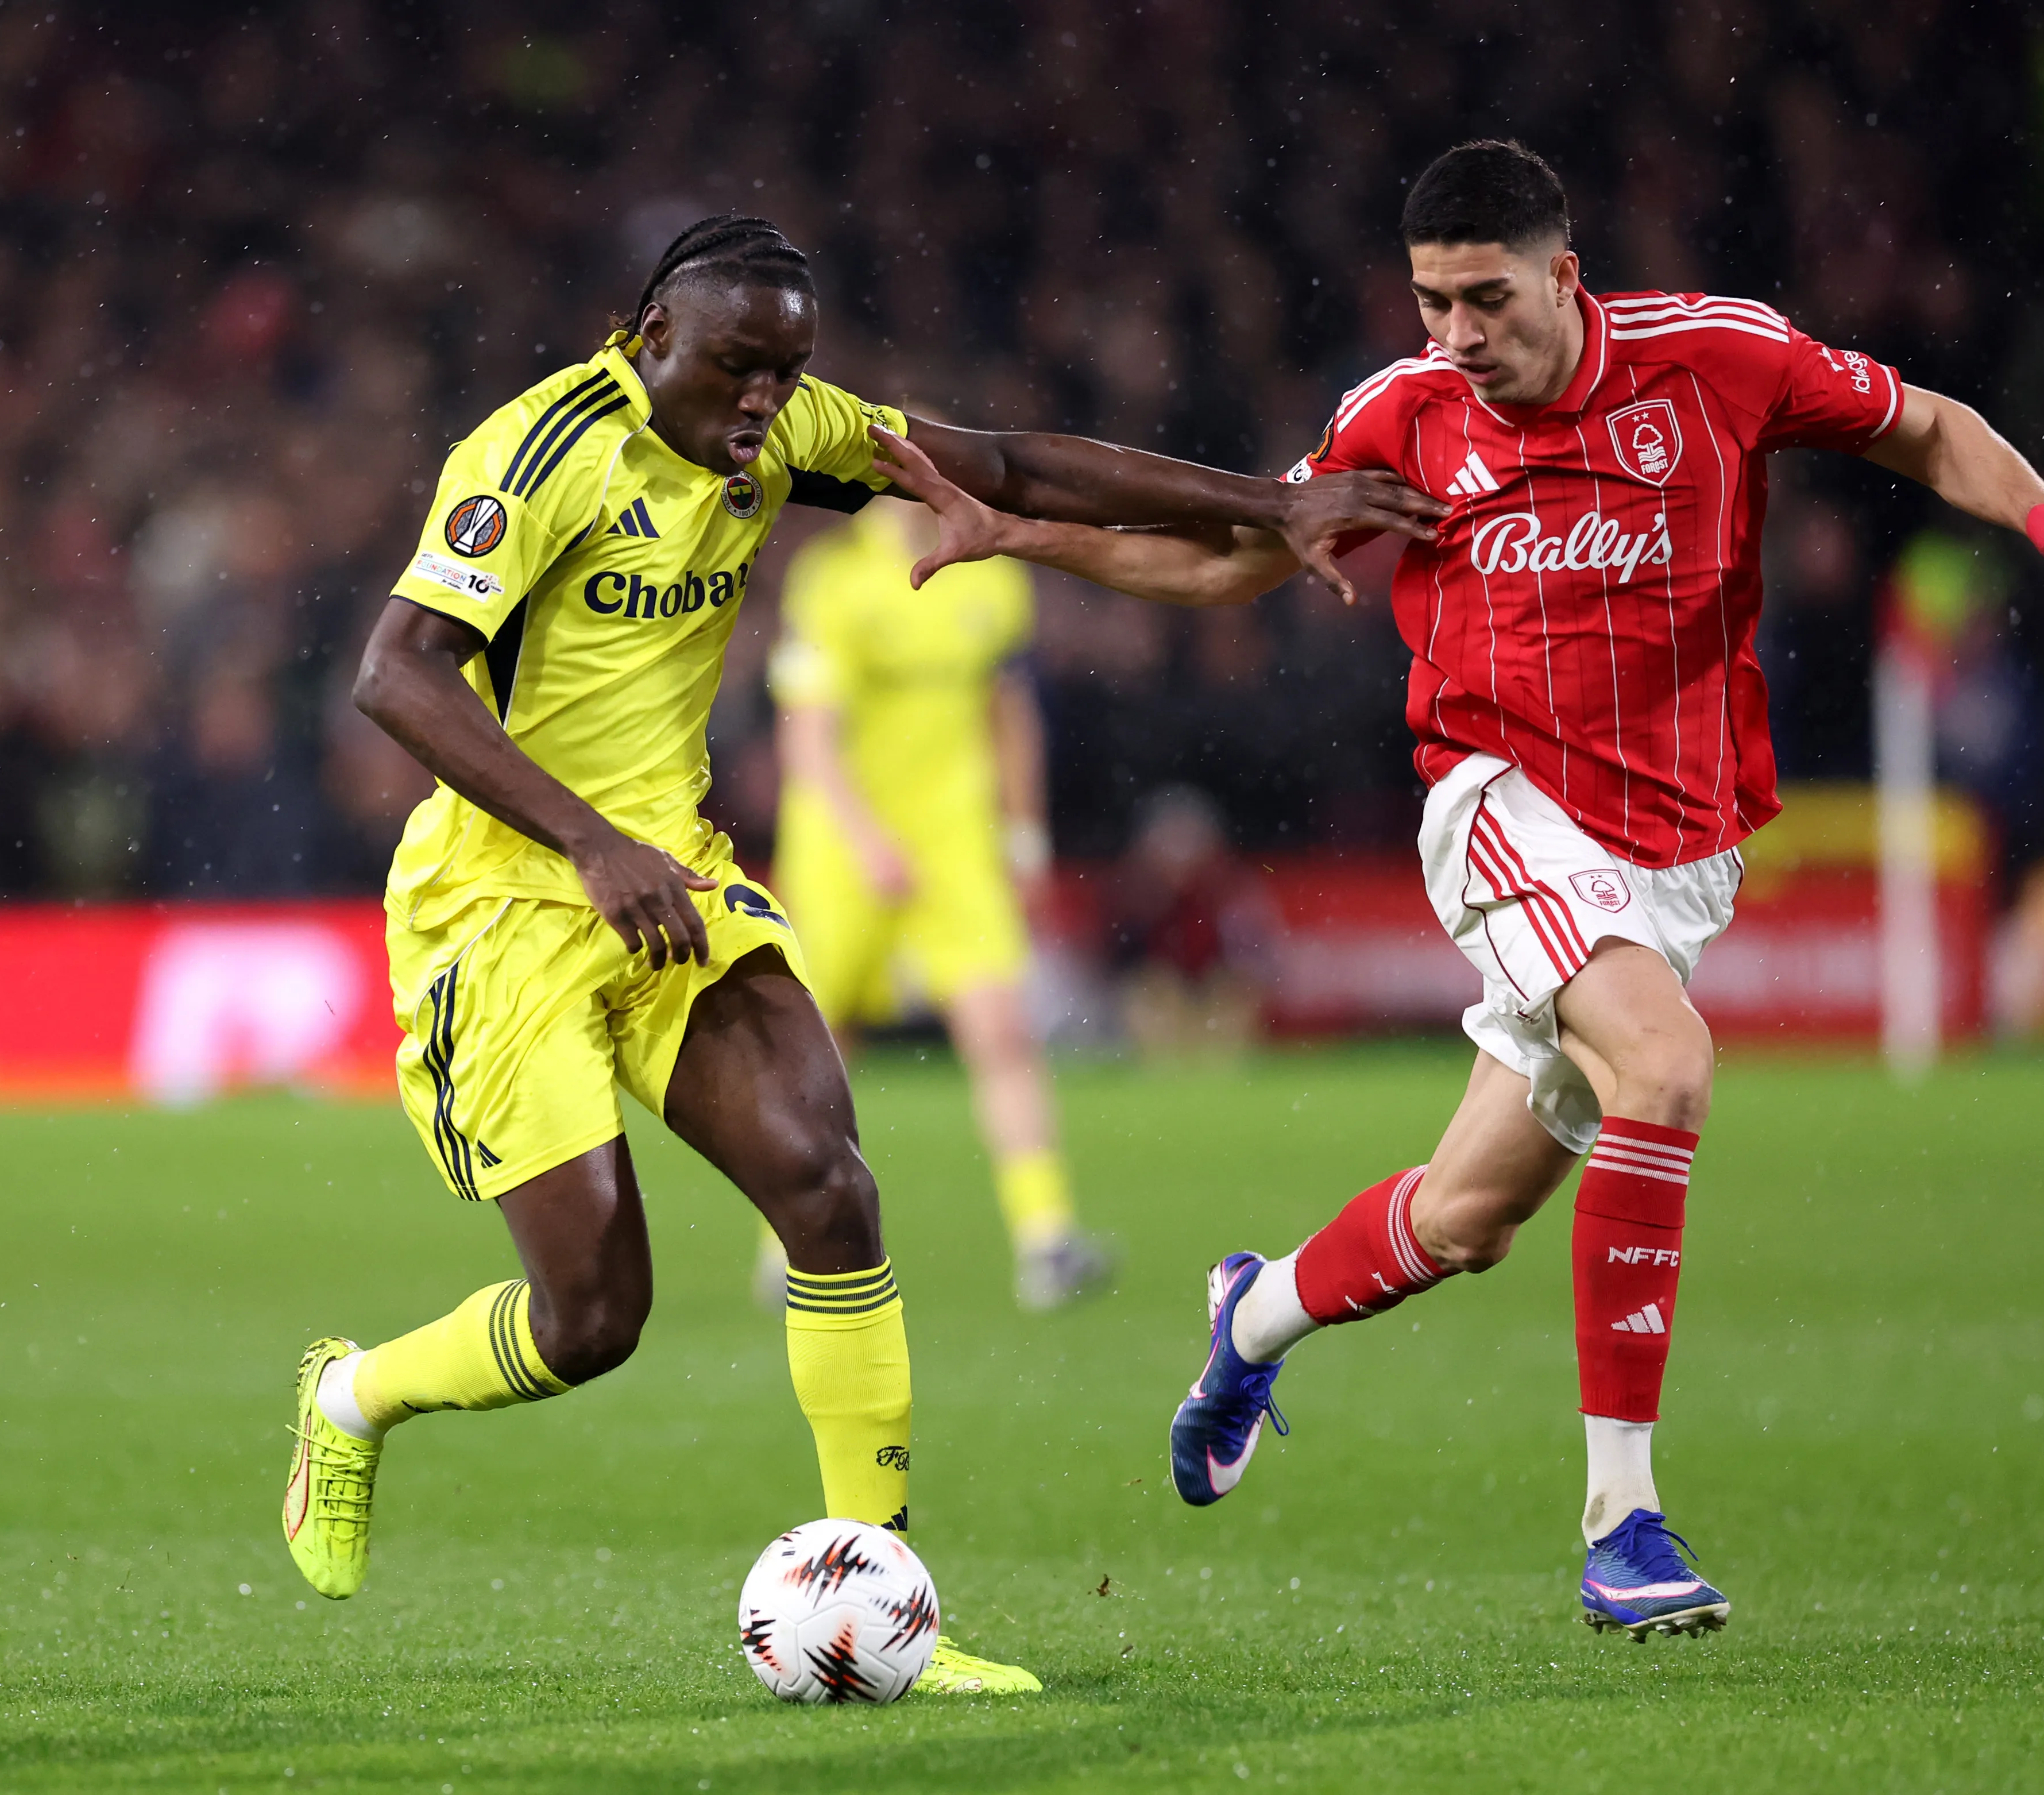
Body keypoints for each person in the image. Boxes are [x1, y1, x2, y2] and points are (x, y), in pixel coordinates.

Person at [870, 141, 2044, 1640]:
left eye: (1483, 300)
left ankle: (1255, 1312)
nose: (1454, 337)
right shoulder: (1403, 417)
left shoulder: (1717, 356)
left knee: (1466, 1217)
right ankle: (1623, 1522)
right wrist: (1024, 535)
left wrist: (2037, 510)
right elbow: (1237, 560)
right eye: (1431, 302)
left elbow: (1921, 423)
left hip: (1680, 853)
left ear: (1566, 277)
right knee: (1666, 1066)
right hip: (1504, 809)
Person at [275, 214, 1437, 1694]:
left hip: (673, 885)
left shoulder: (782, 435)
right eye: (739, 367)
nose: (766, 401)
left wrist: (1268, 503)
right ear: (651, 337)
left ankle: (886, 1598)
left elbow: (1007, 464)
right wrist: (590, 841)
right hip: (502, 905)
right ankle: (354, 1396)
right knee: (592, 1320)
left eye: (788, 371)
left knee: (829, 1186)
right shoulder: (545, 448)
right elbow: (395, 673)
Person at [763, 499, 1112, 1311]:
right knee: (822, 1049)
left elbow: (1009, 714)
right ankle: (788, 1238)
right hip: (844, 845)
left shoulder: (987, 578)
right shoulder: (835, 581)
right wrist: (866, 841)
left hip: (955, 845)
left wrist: (1025, 840)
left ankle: (1047, 1238)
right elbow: (807, 735)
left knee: (1002, 1032)